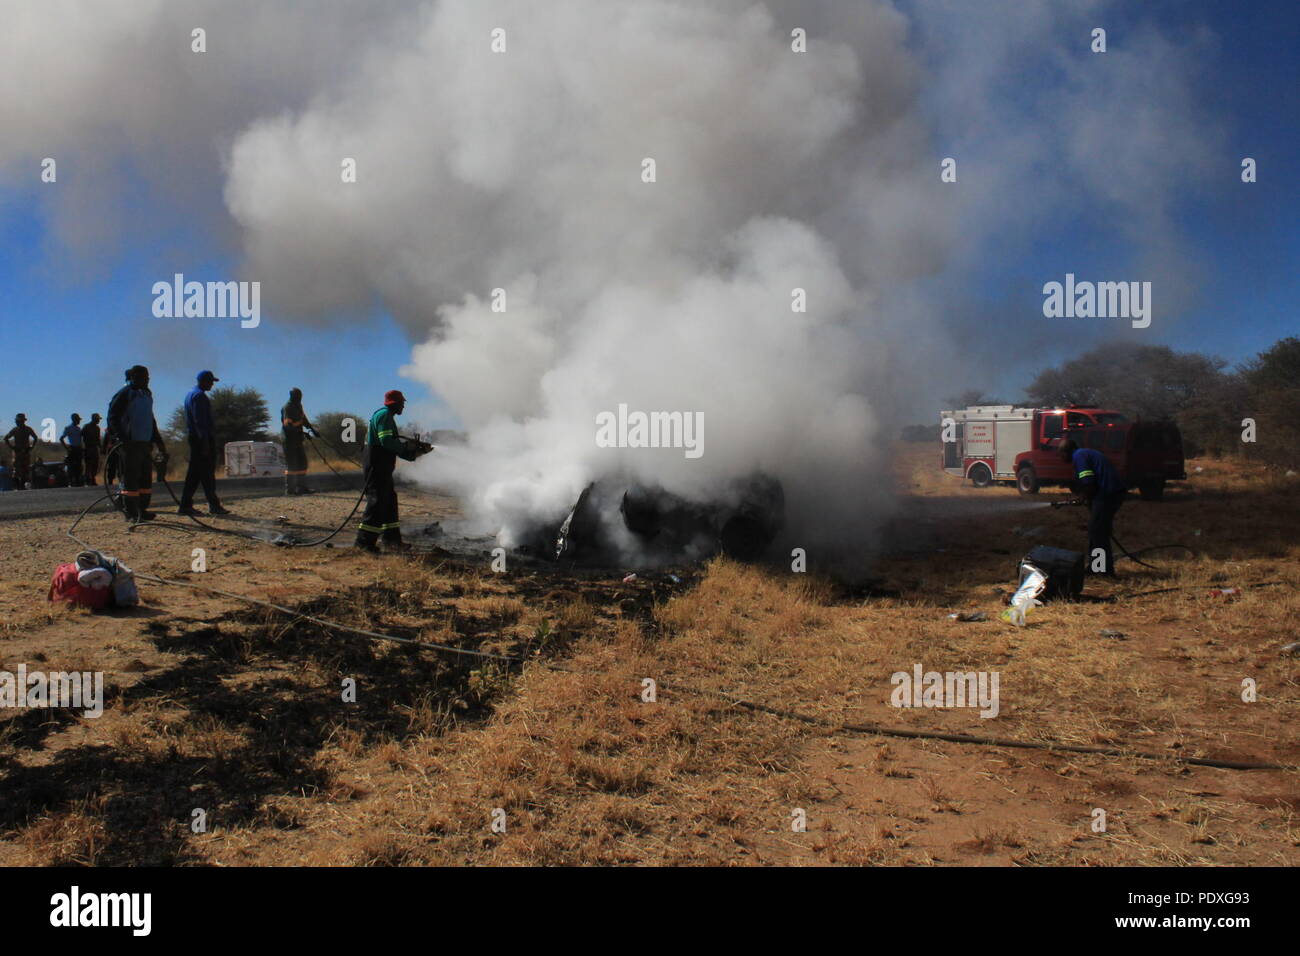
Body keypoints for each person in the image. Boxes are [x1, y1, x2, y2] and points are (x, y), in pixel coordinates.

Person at [354, 390, 429, 553]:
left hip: (382, 466)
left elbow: (392, 444)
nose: (403, 406)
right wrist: (406, 448)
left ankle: (391, 541)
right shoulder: (384, 415)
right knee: (377, 502)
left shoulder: (387, 416)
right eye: (402, 403)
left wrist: (413, 453)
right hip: (376, 465)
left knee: (389, 501)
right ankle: (363, 543)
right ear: (395, 403)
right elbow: (387, 441)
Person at [107, 365, 168, 523]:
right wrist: (122, 438)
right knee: (131, 480)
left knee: (145, 480)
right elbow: (112, 417)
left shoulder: (147, 394)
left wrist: (158, 442)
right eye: (143, 377)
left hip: (145, 443)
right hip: (130, 444)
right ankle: (132, 512)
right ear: (134, 377)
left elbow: (150, 419)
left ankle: (142, 509)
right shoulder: (125, 394)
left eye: (148, 377)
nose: (147, 379)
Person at [1059, 438, 1128, 576]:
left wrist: (1082, 498)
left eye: (1060, 454)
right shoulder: (1085, 453)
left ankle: (1102, 570)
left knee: (1097, 532)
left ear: (1066, 452)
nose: (1060, 458)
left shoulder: (1079, 456)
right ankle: (1096, 566)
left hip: (1107, 495)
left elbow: (1089, 482)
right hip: (1109, 493)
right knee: (1096, 530)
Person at [178, 370, 230, 516]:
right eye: (211, 381)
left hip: (196, 439)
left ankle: (186, 505)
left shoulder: (190, 395)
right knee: (206, 474)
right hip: (201, 440)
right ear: (204, 381)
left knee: (194, 475)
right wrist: (205, 443)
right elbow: (200, 422)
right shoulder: (199, 396)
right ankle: (213, 506)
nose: (212, 384)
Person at [280, 387, 317, 496]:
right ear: (292, 396)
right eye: (297, 396)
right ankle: (290, 490)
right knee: (292, 465)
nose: (299, 398)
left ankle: (301, 488)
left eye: (300, 396)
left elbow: (303, 419)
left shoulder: (298, 406)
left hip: (298, 440)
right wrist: (302, 433)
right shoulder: (288, 407)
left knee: (302, 463)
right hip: (289, 440)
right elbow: (288, 426)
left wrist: (312, 429)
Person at [3, 414, 39, 490]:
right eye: (18, 421)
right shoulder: (15, 430)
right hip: (17, 452)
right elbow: (6, 438)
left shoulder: (28, 429)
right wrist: (12, 447)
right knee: (16, 470)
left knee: (25, 469)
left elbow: (35, 438)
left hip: (25, 451)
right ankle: (17, 486)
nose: (19, 422)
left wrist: (31, 447)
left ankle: (22, 486)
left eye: (20, 421)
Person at [60, 413, 85, 486]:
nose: (79, 421)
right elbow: (61, 438)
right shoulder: (68, 428)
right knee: (71, 466)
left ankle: (78, 481)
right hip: (72, 449)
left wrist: (82, 448)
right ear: (74, 419)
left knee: (79, 466)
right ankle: (70, 481)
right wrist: (67, 448)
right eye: (78, 419)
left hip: (79, 449)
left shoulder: (78, 429)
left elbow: (80, 440)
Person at [82, 413, 103, 485]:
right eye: (98, 419)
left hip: (95, 448)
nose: (99, 421)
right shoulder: (86, 427)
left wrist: (101, 448)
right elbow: (81, 436)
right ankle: (87, 480)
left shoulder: (97, 428)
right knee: (88, 465)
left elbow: (98, 439)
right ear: (94, 419)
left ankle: (92, 479)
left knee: (95, 464)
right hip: (88, 448)